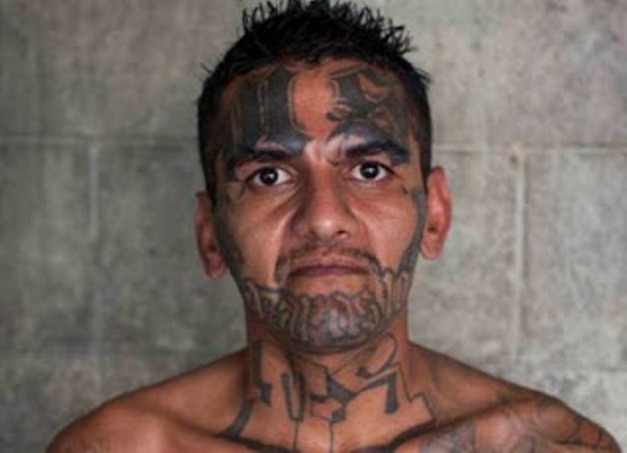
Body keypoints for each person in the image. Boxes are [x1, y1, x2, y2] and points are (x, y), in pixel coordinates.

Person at [49, 1, 620, 451]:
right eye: (269, 176)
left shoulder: (552, 446)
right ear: (210, 234)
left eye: (370, 170)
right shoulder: (116, 447)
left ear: (435, 215)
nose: (323, 218)